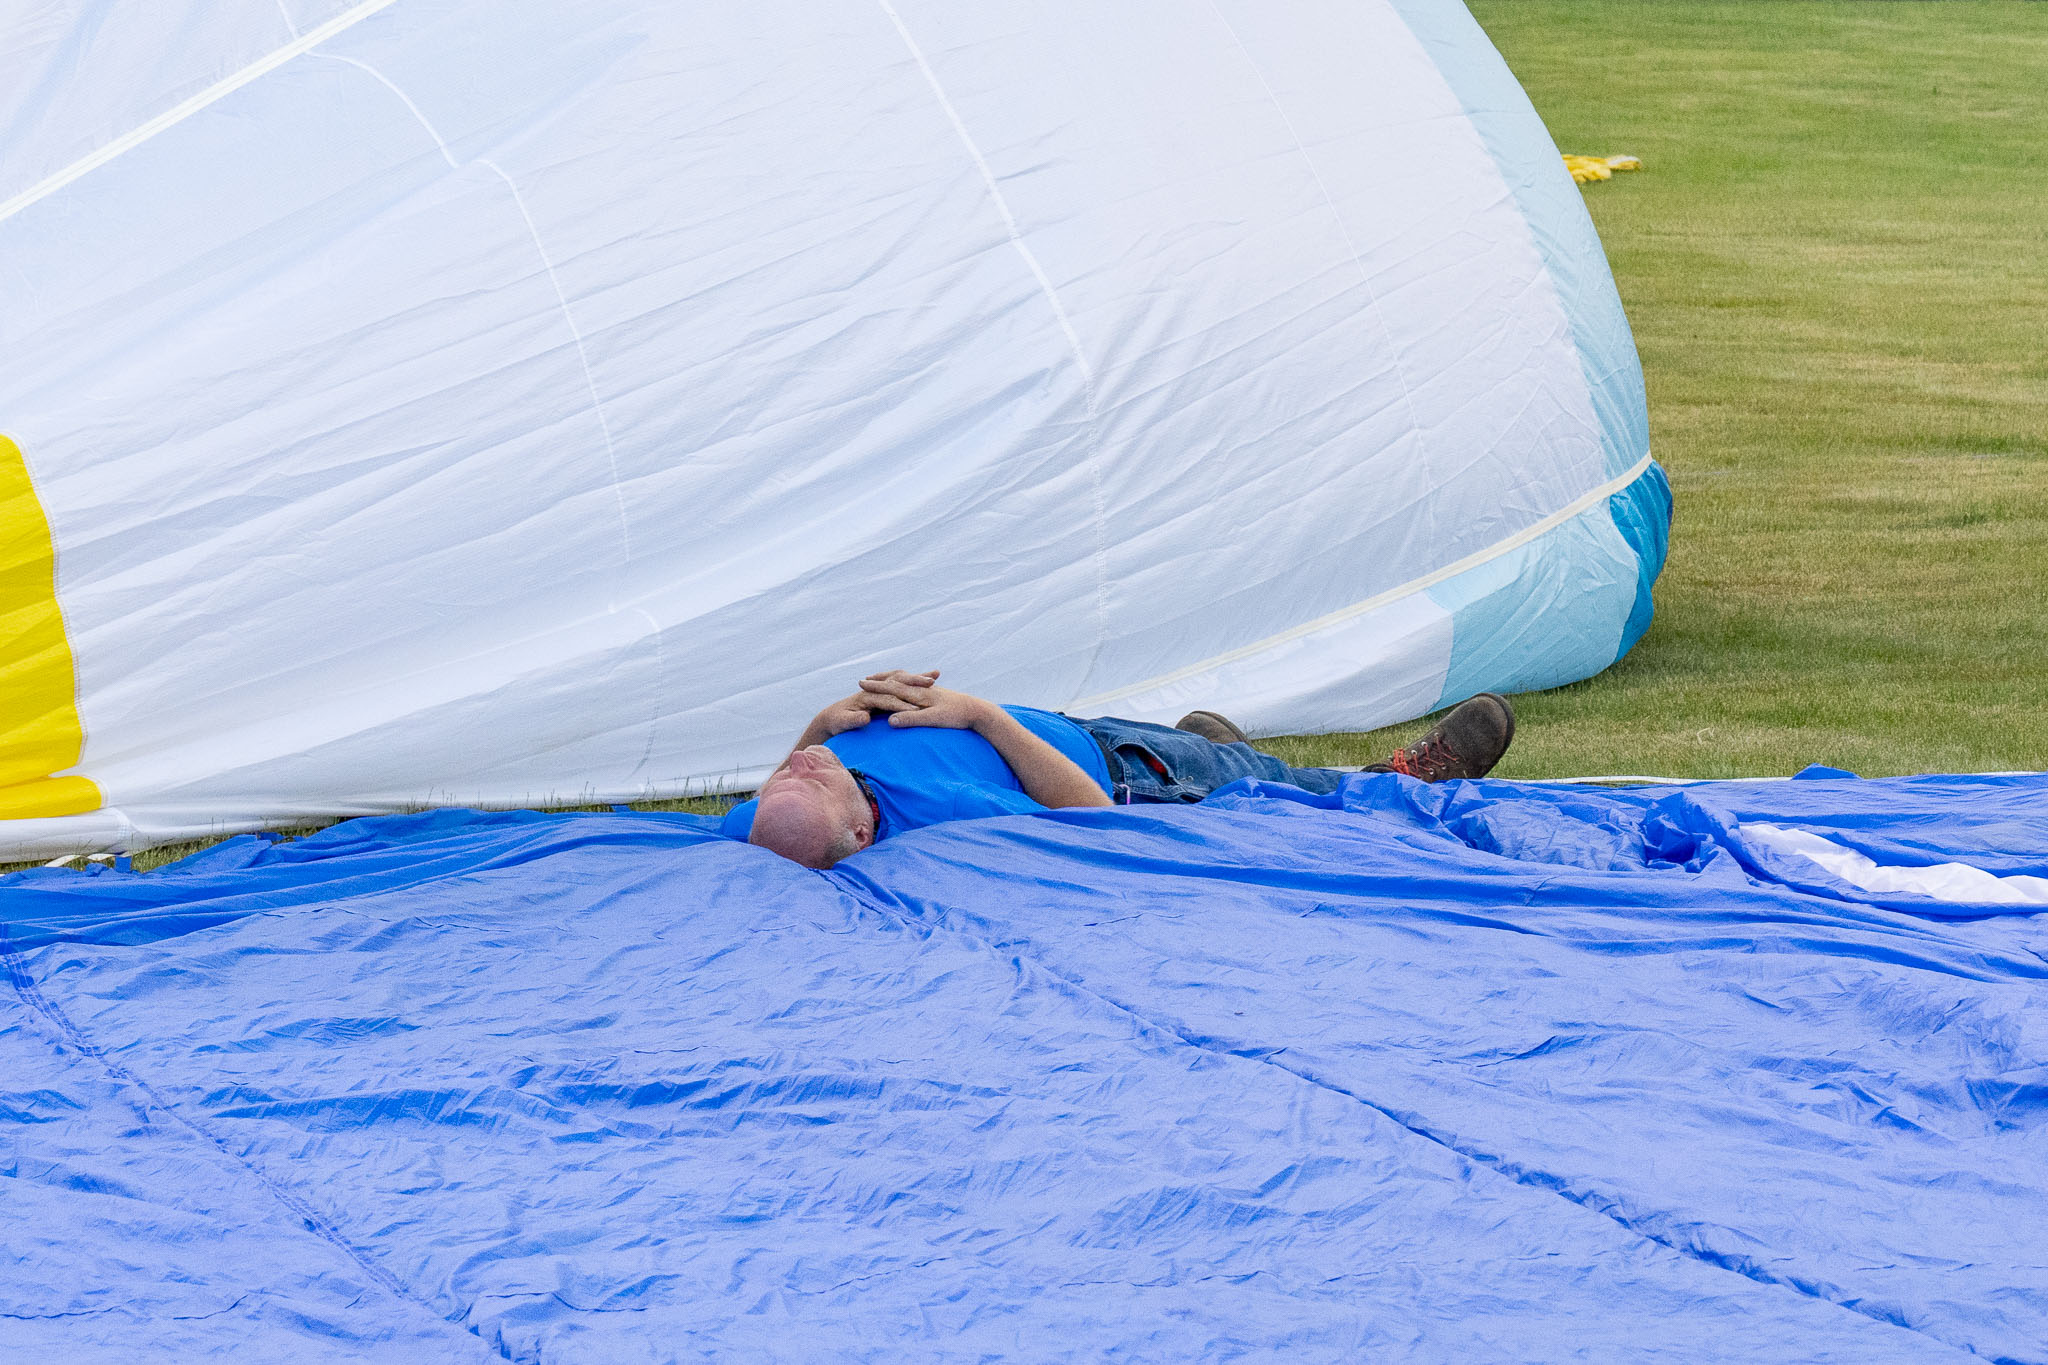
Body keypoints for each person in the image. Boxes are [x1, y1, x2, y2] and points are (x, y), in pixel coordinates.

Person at [723, 670, 1517, 869]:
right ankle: (1398, 782)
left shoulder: (764, 821)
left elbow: (783, 802)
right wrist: (979, 715)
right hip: (1123, 769)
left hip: (1074, 730)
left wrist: (825, 724)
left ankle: (1218, 745)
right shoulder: (945, 815)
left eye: (785, 772)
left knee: (1220, 755)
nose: (800, 763)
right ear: (862, 832)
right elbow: (1095, 819)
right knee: (1265, 785)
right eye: (812, 775)